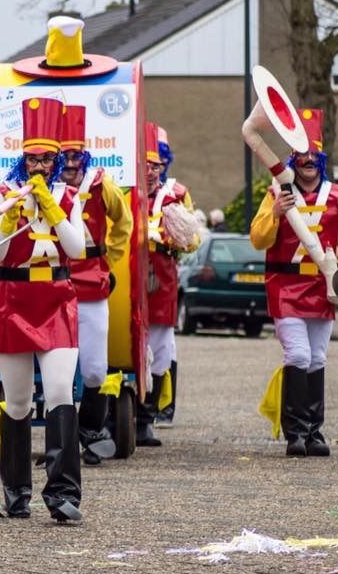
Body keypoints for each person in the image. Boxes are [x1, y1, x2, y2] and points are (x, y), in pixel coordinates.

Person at [0, 96, 86, 522]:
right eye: (33, 159)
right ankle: (16, 491)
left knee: (62, 392)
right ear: (22, 160)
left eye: (47, 159)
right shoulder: (1, 195)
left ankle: (64, 494)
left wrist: (52, 207)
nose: (40, 167)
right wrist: (7, 219)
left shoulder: (69, 196)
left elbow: (77, 249)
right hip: (11, 301)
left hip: (57, 300)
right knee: (19, 402)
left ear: (58, 160)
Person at [251, 108, 338, 457]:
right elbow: (258, 239)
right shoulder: (276, 193)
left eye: (314, 155)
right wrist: (276, 214)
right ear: (293, 160)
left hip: (323, 287)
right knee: (297, 353)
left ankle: (314, 431)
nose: (308, 161)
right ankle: (294, 431)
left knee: (316, 358)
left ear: (322, 159)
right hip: (285, 286)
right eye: (302, 156)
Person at [58, 104, 133, 465]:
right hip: (52, 286)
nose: (70, 164)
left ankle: (91, 428)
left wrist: (109, 257)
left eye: (76, 156)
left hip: (91, 286)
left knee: (94, 368)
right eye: (64, 156)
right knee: (50, 372)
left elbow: (124, 222)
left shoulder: (104, 187)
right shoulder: (44, 188)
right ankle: (58, 439)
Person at [138, 124, 199, 445]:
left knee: (160, 349)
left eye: (156, 165)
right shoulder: (122, 190)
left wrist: (170, 236)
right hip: (127, 280)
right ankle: (117, 412)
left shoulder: (176, 194)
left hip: (161, 280)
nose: (149, 172)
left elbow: (192, 241)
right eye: (144, 164)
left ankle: (147, 417)